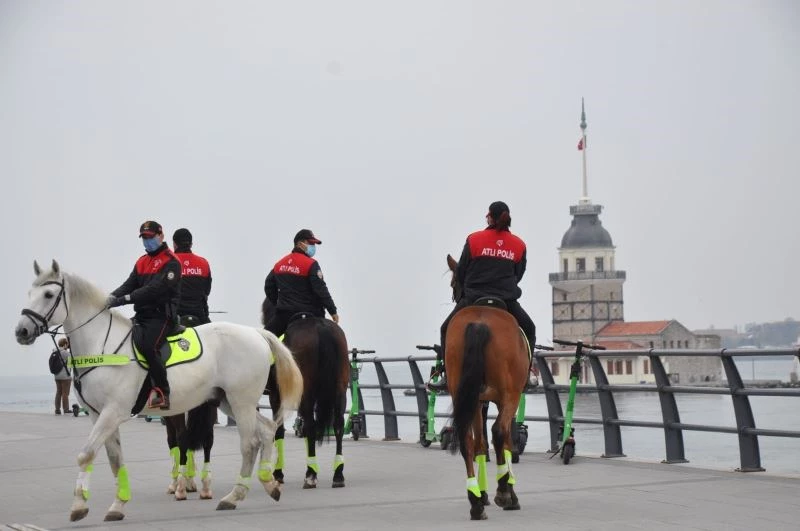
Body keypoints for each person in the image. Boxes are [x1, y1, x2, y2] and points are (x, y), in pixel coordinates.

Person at [429, 201, 536, 391]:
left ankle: (445, 374)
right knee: (529, 329)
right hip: (506, 301)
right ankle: (527, 375)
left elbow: (461, 272)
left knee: (446, 328)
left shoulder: (474, 240)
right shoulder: (519, 245)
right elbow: (518, 275)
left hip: (473, 299)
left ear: (490, 217)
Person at [106, 220, 181, 410]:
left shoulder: (171, 262)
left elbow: (154, 290)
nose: (147, 242)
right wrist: (109, 298)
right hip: (142, 317)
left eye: (150, 237)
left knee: (148, 346)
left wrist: (125, 299)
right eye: (144, 238)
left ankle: (162, 392)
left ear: (161, 236)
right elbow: (128, 284)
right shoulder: (141, 261)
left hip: (162, 317)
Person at [264, 229, 339, 338]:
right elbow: (321, 290)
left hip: (285, 316)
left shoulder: (279, 264)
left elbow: (269, 287)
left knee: (263, 340)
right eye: (311, 243)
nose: (313, 247)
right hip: (312, 315)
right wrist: (333, 311)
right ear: (299, 244)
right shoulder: (311, 264)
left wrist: (280, 303)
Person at [172, 228, 212, 326]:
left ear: (174, 244)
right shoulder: (204, 263)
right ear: (191, 244)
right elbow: (207, 291)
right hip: (200, 317)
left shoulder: (168, 263)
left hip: (174, 318)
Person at [53, 337, 71, 415]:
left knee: (58, 392)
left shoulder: (54, 352)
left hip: (57, 376)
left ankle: (57, 409)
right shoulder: (65, 353)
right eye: (67, 344)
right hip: (65, 376)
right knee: (65, 393)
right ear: (65, 344)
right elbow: (72, 362)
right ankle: (66, 409)